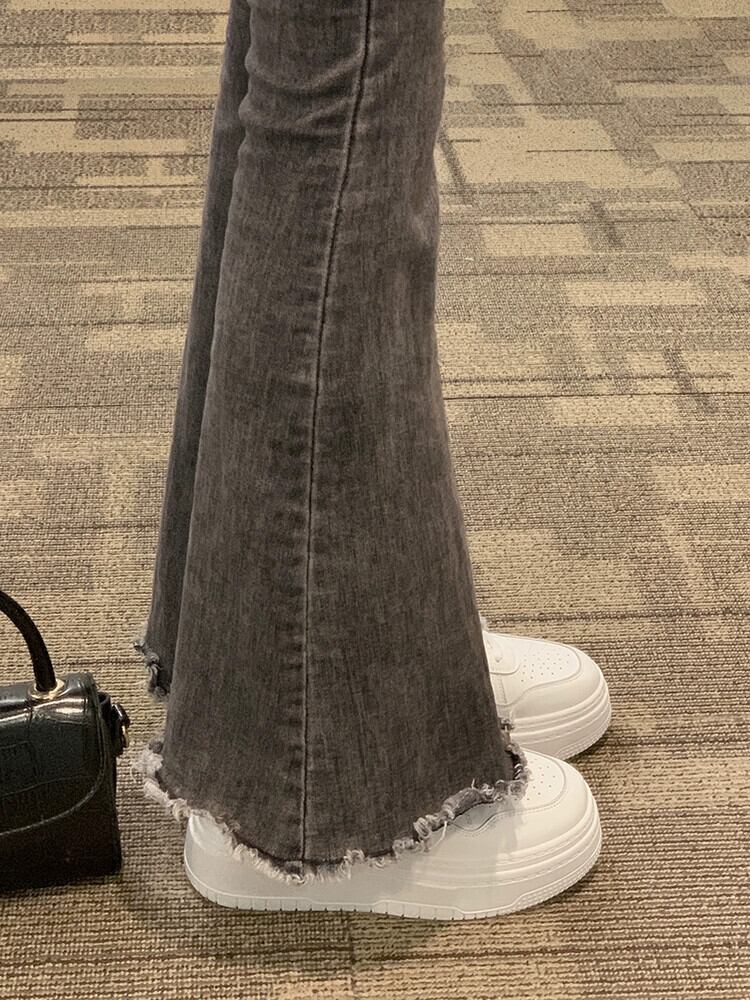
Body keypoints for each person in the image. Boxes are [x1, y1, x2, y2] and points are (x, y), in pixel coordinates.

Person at [132, 0, 611, 920]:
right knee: (349, 74)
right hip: (312, 774)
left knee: (315, 60)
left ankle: (292, 664)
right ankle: (317, 783)